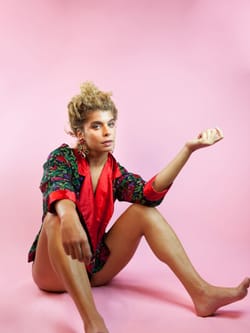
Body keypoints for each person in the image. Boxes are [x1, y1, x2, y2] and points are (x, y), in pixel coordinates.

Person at [28, 82, 249, 333]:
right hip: (53, 275)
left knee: (145, 211)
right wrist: (68, 216)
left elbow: (148, 194)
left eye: (110, 124)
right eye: (96, 126)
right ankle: (94, 323)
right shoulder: (62, 158)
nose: (106, 132)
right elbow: (55, 183)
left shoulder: (114, 171)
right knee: (54, 219)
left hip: (94, 267)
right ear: (80, 133)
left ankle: (202, 294)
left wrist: (188, 150)